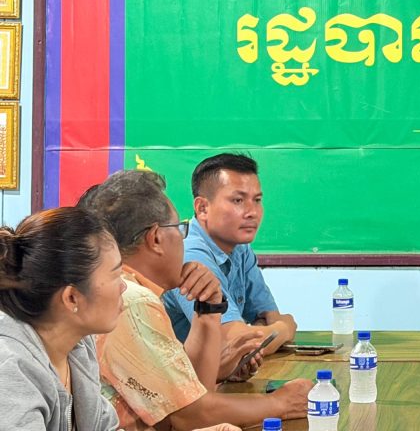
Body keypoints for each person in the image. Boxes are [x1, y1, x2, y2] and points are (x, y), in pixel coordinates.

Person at [82, 168, 311, 430]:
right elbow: (188, 416)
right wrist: (281, 403)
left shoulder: (132, 291)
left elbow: (194, 392)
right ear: (156, 238)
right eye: (180, 229)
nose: (251, 212)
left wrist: (208, 309)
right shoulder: (133, 299)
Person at [0, 207, 123, 431]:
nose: (123, 286)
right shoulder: (10, 367)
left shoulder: (79, 346)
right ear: (71, 297)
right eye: (116, 275)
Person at [163, 154, 297, 351]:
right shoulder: (190, 254)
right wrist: (285, 328)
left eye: (257, 200)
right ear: (202, 208)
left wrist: (260, 330)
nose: (252, 212)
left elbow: (269, 317)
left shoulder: (240, 248)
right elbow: (233, 344)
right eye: (238, 200)